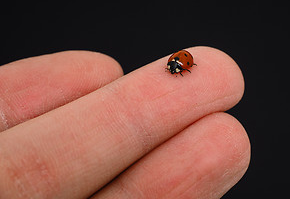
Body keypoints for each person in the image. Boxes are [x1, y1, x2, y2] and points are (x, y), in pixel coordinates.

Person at [0, 46, 250, 198]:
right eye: (177, 68)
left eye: (178, 68)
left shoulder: (181, 61)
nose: (176, 69)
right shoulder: (179, 62)